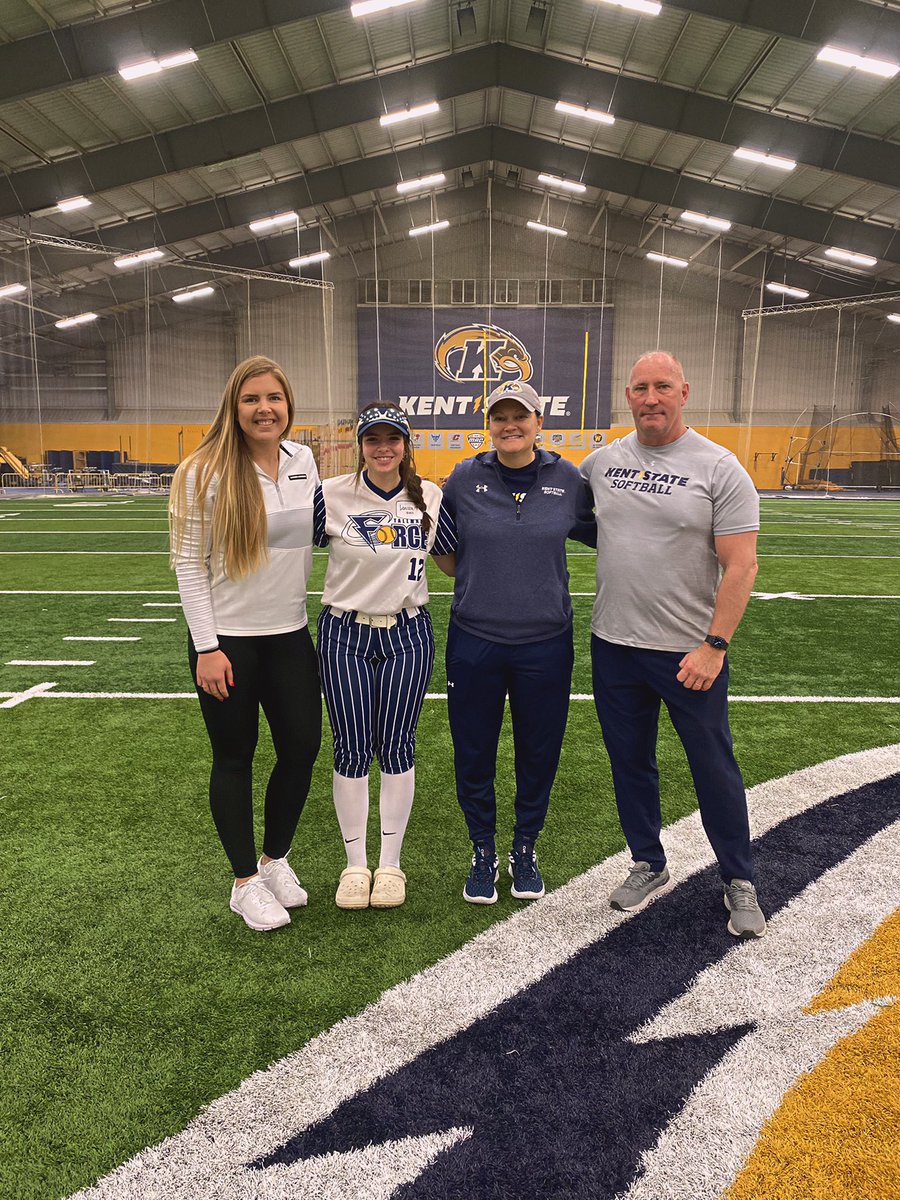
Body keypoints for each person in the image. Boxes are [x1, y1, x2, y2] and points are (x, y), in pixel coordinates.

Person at [579, 350, 766, 938]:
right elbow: (560, 507)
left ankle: (738, 877)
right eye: (641, 388)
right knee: (630, 762)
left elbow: (742, 565)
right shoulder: (602, 462)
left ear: (684, 392)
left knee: (713, 766)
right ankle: (648, 861)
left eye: (663, 386)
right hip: (614, 645)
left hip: (690, 652)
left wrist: (715, 645)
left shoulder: (719, 467)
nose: (651, 398)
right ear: (628, 397)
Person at [169, 356, 321, 932]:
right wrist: (207, 646)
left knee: (301, 746)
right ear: (233, 407)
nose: (265, 409)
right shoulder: (201, 470)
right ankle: (243, 883)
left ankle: (274, 860)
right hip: (227, 642)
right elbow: (189, 563)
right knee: (234, 757)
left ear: (288, 405)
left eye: (274, 398)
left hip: (289, 633)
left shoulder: (303, 460)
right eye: (252, 399)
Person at [437, 380, 596, 905]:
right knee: (474, 751)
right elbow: (443, 549)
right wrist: (478, 581)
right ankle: (482, 849)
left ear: (538, 423)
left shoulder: (568, 479)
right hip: (475, 638)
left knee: (538, 751)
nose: (510, 425)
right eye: (500, 417)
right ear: (489, 425)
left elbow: (609, 534)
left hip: (545, 642)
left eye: (520, 416)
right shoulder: (464, 477)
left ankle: (525, 847)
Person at [314, 403, 452, 910]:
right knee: (350, 746)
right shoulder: (330, 494)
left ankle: (390, 864)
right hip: (344, 632)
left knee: (397, 745)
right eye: (373, 439)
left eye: (392, 439)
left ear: (406, 444)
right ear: (360, 445)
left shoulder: (430, 496)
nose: (383, 448)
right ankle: (355, 865)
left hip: (408, 633)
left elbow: (454, 562)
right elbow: (284, 550)